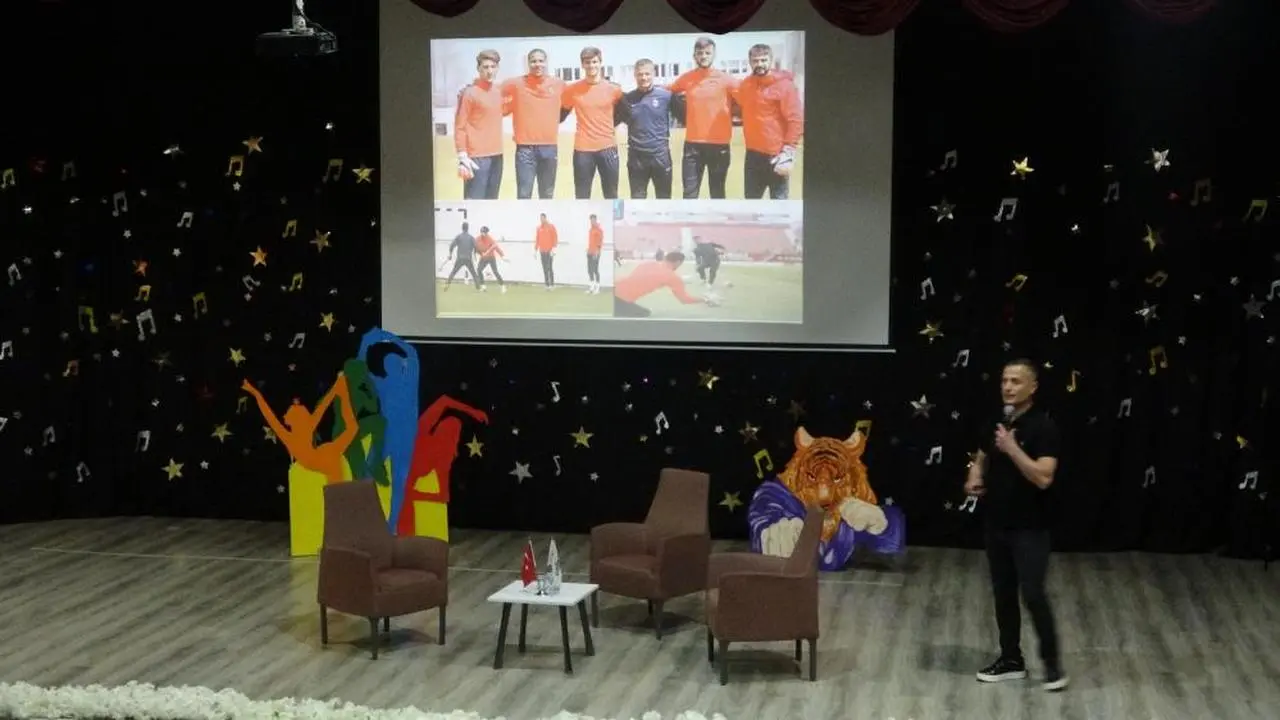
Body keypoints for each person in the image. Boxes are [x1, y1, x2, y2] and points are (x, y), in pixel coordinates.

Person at [964, 359, 1068, 692]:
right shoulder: (997, 421)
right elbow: (981, 454)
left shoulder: (1043, 428)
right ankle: (1011, 660)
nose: (1008, 387)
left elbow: (1043, 477)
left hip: (1030, 527)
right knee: (1003, 593)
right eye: (1005, 380)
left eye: (1016, 381)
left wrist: (1012, 449)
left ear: (1033, 387)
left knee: (1033, 593)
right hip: (997, 523)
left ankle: (1052, 666)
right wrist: (975, 474)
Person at [668, 37, 739, 199]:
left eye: (707, 53)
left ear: (714, 55)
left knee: (717, 193)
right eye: (700, 53)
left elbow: (747, 98)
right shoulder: (687, 78)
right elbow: (667, 91)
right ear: (694, 56)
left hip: (719, 145)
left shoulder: (726, 79)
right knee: (689, 194)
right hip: (693, 146)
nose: (704, 56)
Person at [734, 44, 803, 200]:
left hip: (776, 155)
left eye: (763, 60)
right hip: (752, 155)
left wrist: (789, 150)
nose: (759, 64)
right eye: (755, 61)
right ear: (750, 62)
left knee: (779, 205)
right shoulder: (746, 85)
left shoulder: (785, 86)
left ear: (771, 60)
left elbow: (795, 119)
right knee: (751, 203)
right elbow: (739, 106)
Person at [503, 49, 567, 199]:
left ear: (546, 62)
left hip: (549, 148)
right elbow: (492, 90)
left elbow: (572, 100)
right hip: (525, 149)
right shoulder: (516, 84)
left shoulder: (558, 84)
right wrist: (471, 88)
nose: (537, 64)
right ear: (528, 63)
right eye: (533, 61)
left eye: (540, 61)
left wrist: (557, 118)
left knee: (547, 194)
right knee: (524, 194)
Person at [561, 47, 623, 199]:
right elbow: (559, 116)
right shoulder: (573, 90)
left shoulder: (614, 89)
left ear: (600, 63)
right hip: (583, 150)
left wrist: (608, 126)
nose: (591, 66)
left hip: (608, 148)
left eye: (594, 62)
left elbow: (624, 113)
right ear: (582, 65)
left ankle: (615, 215)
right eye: (587, 62)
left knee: (612, 194)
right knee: (582, 196)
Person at [454, 49, 509, 200]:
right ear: (478, 68)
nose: (489, 71)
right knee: (474, 202)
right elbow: (460, 126)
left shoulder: (498, 92)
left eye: (493, 67)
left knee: (492, 202)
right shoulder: (469, 93)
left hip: (497, 156)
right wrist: (462, 155)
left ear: (497, 68)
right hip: (476, 157)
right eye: (485, 67)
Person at [618, 59, 674, 199]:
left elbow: (685, 114)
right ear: (635, 75)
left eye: (647, 74)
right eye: (640, 74)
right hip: (637, 158)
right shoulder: (627, 99)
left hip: (660, 156)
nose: (644, 78)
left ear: (653, 74)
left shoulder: (666, 96)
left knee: (664, 200)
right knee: (637, 200)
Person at [613, 251, 712, 318]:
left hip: (611, 289)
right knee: (645, 314)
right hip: (621, 300)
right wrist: (705, 299)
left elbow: (640, 279)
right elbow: (684, 300)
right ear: (678, 262)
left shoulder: (648, 264)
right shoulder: (673, 277)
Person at [443, 222, 480, 290]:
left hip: (460, 258)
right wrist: (474, 253)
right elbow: (476, 247)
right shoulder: (471, 237)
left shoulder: (459, 236)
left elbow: (452, 245)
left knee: (453, 272)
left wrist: (450, 254)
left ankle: (447, 285)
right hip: (468, 258)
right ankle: (478, 287)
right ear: (468, 228)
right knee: (474, 273)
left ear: (462, 228)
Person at [474, 226, 507, 293]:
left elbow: (496, 247)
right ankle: (483, 286)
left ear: (487, 233)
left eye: (484, 232)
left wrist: (502, 256)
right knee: (479, 270)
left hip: (491, 257)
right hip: (483, 257)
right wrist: (480, 253)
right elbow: (476, 248)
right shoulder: (477, 239)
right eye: (482, 232)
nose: (483, 233)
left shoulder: (490, 238)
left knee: (495, 271)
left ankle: (503, 286)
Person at [535, 213, 558, 289]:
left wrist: (554, 248)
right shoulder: (539, 228)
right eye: (540, 218)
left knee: (549, 267)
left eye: (542, 218)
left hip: (549, 251)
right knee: (544, 268)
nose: (541, 220)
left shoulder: (551, 226)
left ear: (545, 218)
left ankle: (552, 284)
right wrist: (535, 250)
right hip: (542, 251)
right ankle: (547, 284)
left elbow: (555, 237)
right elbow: (537, 239)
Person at [585, 214, 604, 294]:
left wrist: (597, 251)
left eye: (593, 220)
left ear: (596, 220)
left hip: (596, 253)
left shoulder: (599, 230)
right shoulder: (590, 230)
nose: (592, 221)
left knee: (595, 270)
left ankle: (597, 288)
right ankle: (592, 287)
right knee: (590, 270)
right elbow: (591, 241)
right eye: (591, 220)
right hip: (590, 252)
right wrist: (588, 249)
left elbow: (600, 241)